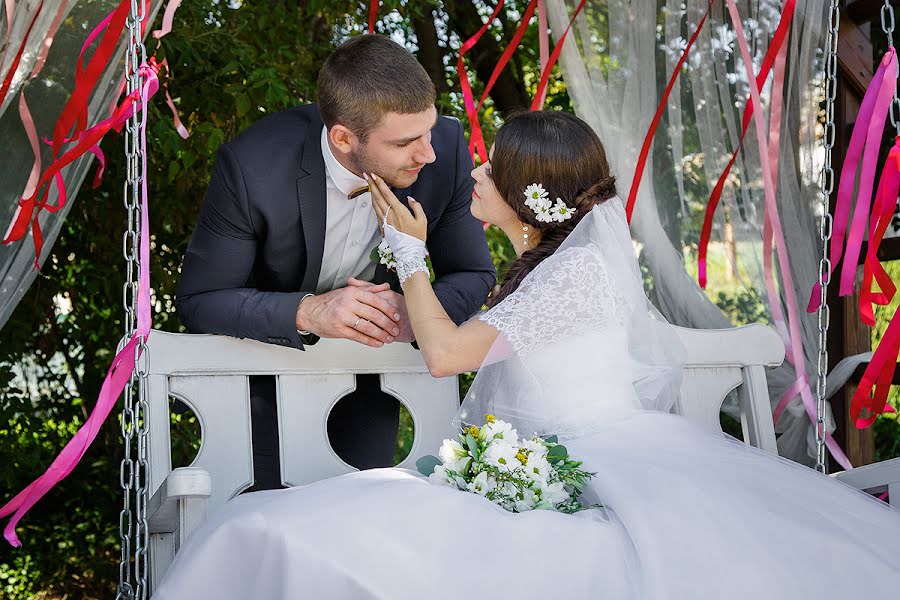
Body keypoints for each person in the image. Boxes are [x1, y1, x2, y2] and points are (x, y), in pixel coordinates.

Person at [157, 111, 900, 599]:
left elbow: (445, 354)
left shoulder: (573, 275)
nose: (472, 175)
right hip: (539, 458)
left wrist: (409, 253)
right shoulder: (552, 266)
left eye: (491, 172)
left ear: (528, 197)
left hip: (589, 462)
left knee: (327, 534)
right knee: (293, 524)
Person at [175, 35, 495, 486]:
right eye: (407, 142)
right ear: (343, 137)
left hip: (373, 382)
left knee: (366, 519)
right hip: (264, 376)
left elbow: (474, 272)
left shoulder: (443, 151)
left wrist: (415, 315)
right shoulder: (252, 167)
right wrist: (309, 311)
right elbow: (200, 299)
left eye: (428, 130)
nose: (429, 153)